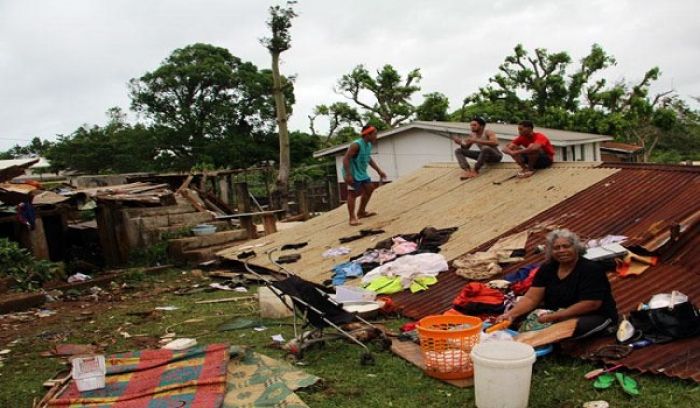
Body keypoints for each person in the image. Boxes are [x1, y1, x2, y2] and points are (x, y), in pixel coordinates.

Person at [496, 229, 618, 339]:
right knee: (516, 317)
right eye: (556, 248)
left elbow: (591, 304)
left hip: (593, 314)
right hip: (556, 313)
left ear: (576, 248)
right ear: (550, 251)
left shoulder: (591, 269)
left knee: (566, 329)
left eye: (566, 246)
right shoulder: (547, 268)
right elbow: (531, 298)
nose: (561, 251)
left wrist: (557, 316)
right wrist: (511, 314)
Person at [342, 125, 387, 226]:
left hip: (361, 172)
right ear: (368, 135)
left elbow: (368, 159)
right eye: (374, 134)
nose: (376, 136)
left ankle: (361, 212)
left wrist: (379, 171)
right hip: (352, 172)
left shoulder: (368, 145)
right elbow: (345, 159)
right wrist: (348, 175)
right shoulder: (356, 145)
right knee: (352, 194)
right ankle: (352, 218)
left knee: (369, 189)